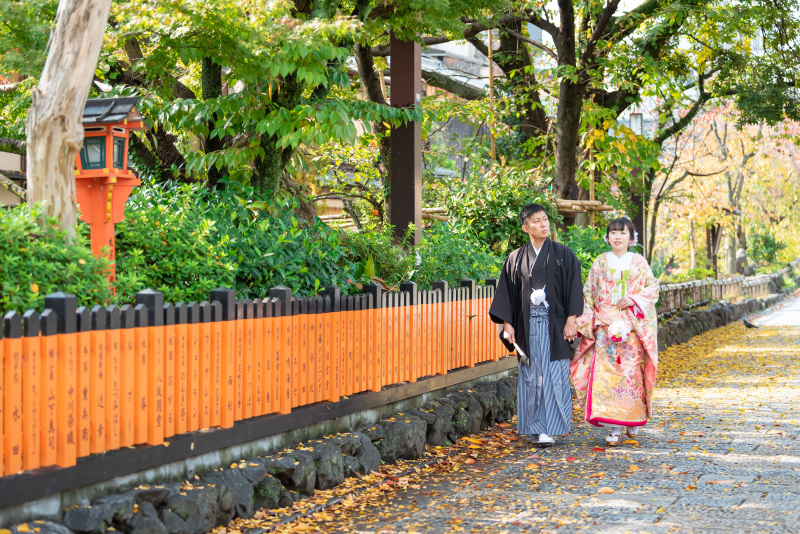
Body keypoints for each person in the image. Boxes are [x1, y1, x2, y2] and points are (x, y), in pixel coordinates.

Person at [489, 203, 584, 447]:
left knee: (553, 374)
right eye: (537, 221)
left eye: (545, 219)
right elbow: (507, 295)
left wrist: (571, 320)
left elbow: (574, 288)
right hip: (527, 326)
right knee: (531, 376)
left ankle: (549, 428)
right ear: (526, 228)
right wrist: (507, 325)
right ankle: (535, 428)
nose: (543, 224)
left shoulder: (564, 254)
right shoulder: (515, 258)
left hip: (556, 326)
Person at [570, 218, 659, 446]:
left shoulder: (639, 262)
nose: (617, 237)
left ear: (631, 238)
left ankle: (632, 418)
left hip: (631, 329)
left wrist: (633, 300)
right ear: (607, 237)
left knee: (630, 375)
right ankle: (615, 428)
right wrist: (588, 321)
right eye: (613, 232)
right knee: (606, 378)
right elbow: (589, 293)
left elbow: (652, 289)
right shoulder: (599, 262)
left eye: (623, 233)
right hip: (605, 329)